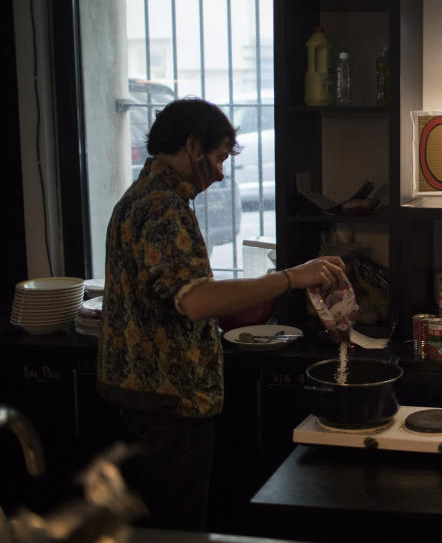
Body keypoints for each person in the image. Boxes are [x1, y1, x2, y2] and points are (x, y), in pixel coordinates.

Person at [96, 98, 346, 531]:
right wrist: (292, 278)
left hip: (140, 392)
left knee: (154, 527)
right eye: (218, 157)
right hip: (170, 398)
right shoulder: (163, 209)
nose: (220, 172)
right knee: (178, 529)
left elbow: (171, 294)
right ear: (192, 145)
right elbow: (194, 301)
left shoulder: (138, 199)